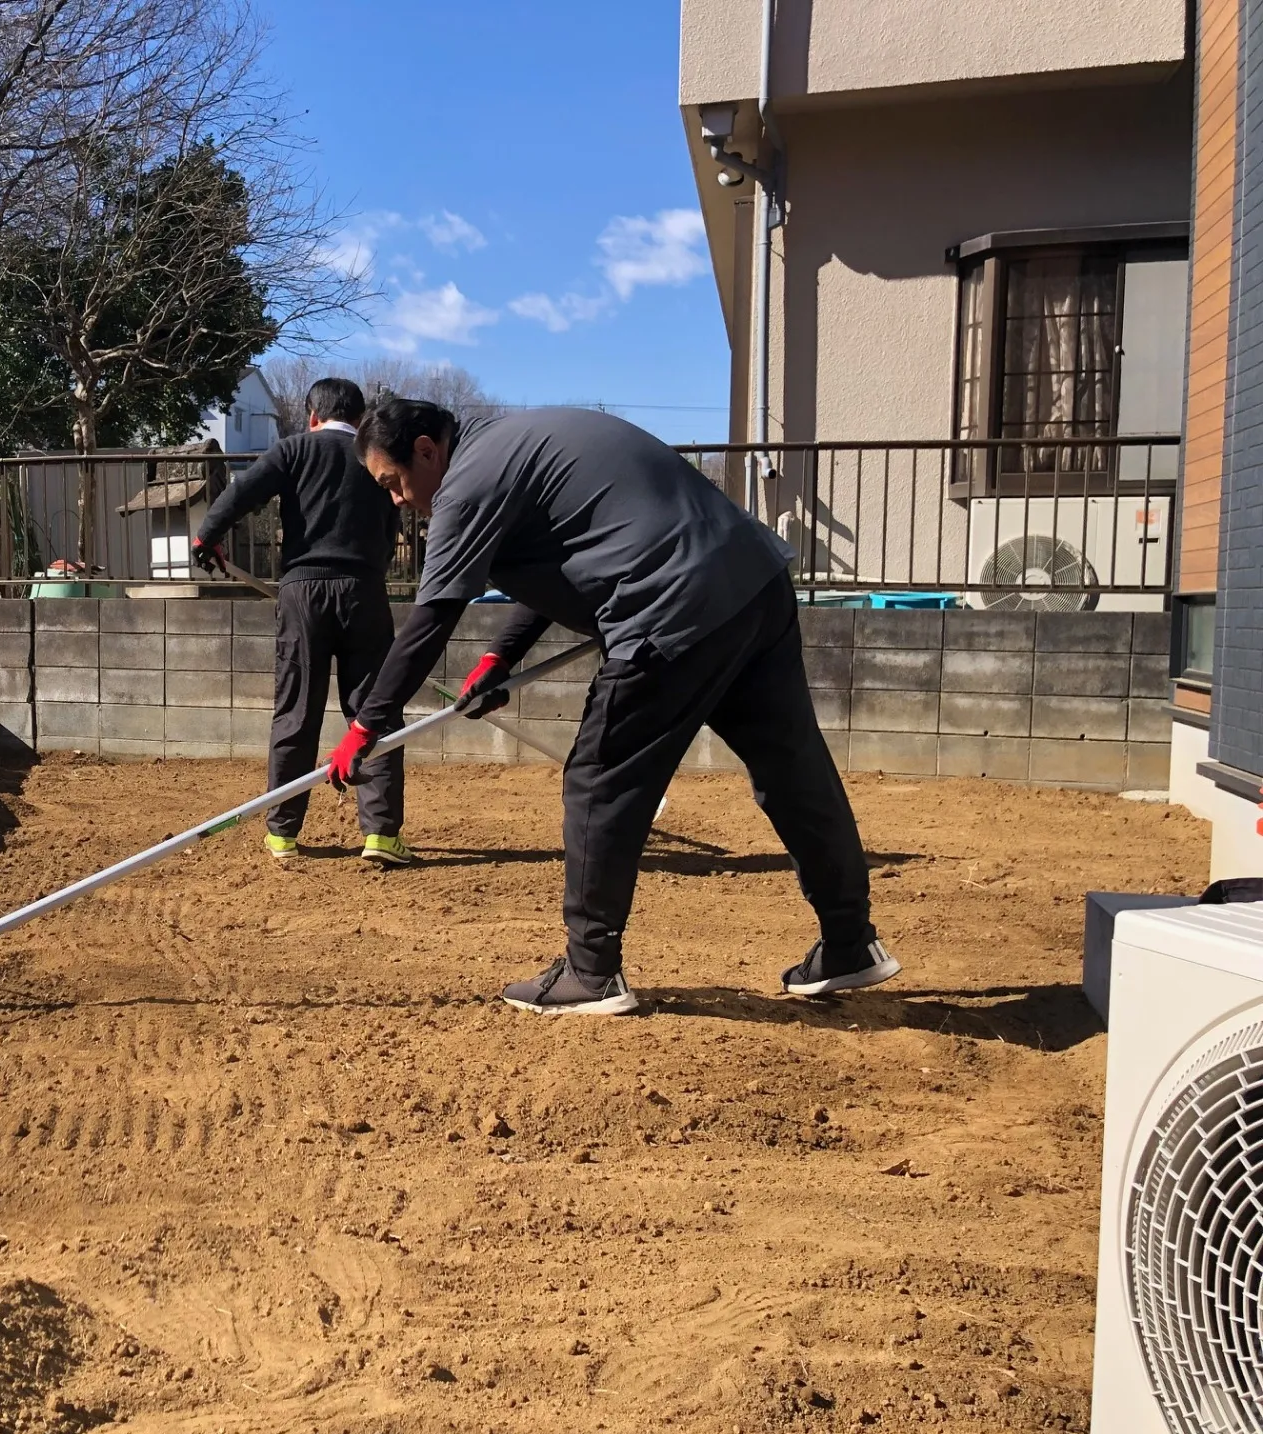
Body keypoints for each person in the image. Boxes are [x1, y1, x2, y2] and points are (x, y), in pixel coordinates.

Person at [326, 399, 899, 1013]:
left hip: (670, 608)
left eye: (394, 483)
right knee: (792, 767)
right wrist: (500, 657)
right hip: (751, 581)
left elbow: (431, 618)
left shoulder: (467, 481)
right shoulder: (513, 441)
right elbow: (571, 554)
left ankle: (590, 971)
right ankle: (849, 942)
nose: (397, 500)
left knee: (599, 777)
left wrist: (367, 722)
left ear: (425, 450)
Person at [191, 378, 411, 866]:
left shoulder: (292, 451)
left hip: (302, 592)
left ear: (312, 415)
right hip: (365, 592)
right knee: (373, 711)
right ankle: (380, 835)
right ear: (359, 419)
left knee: (296, 710)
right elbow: (400, 515)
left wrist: (207, 537)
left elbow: (241, 491)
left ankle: (282, 833)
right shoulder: (375, 456)